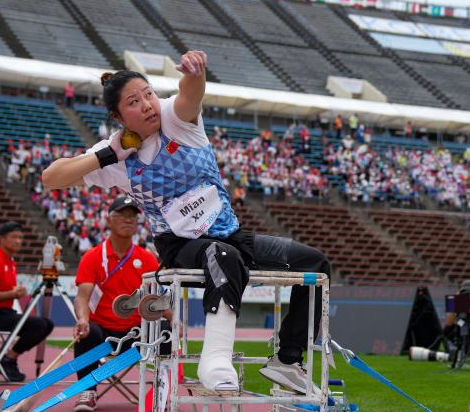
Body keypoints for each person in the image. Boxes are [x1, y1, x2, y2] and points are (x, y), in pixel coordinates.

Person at [42, 50, 331, 394]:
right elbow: (52, 178)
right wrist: (109, 154)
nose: (147, 105)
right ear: (118, 116)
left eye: (148, 94)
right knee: (221, 255)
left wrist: (195, 73)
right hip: (180, 245)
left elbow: (190, 95)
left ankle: (287, 360)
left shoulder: (173, 118)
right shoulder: (116, 155)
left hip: (230, 234)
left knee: (315, 263)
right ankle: (215, 361)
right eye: (133, 102)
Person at [71, 196, 159, 412]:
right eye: (122, 215)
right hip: (103, 335)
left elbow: (156, 299)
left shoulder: (147, 258)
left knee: (166, 331)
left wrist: (174, 321)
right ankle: (87, 390)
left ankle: (159, 391)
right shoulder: (92, 257)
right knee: (86, 331)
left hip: (136, 336)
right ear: (109, 220)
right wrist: (82, 319)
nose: (128, 220)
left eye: (133, 216)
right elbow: (82, 297)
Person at [0, 221, 54, 382]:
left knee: (47, 324)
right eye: (14, 237)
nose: (18, 241)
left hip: (4, 312)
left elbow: (3, 290)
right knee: (39, 325)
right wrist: (13, 293)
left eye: (20, 238)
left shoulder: (10, 261)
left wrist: (16, 292)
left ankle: (8, 359)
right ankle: (8, 360)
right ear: (2, 238)